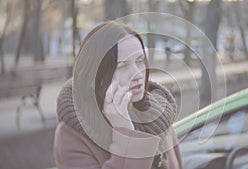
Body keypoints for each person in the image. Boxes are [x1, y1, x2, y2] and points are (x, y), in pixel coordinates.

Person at [53, 21, 183, 169]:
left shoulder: (157, 113)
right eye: (122, 66)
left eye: (140, 61)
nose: (137, 73)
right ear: (96, 76)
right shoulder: (70, 136)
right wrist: (125, 133)